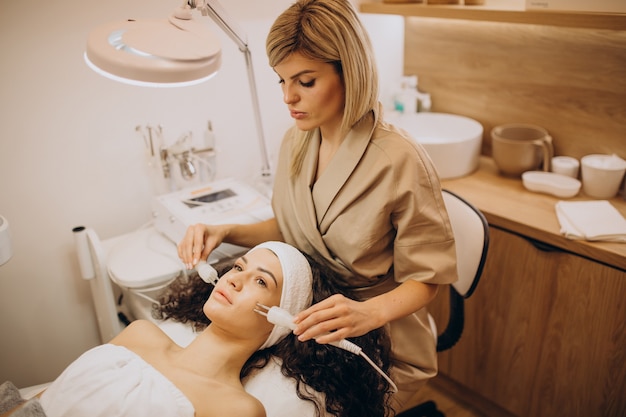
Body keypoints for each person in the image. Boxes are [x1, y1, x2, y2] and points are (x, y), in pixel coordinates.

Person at [177, 0, 457, 411]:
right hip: (307, 320)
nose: (289, 97)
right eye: (282, 81)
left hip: (377, 333)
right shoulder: (297, 138)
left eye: (305, 81)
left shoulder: (400, 160)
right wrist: (226, 232)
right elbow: (293, 228)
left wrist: (367, 314)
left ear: (350, 71)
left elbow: (428, 278)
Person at [0, 242, 393, 417]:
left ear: (282, 321)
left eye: (261, 281)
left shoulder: (237, 409)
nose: (234, 279)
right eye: (238, 267)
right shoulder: (141, 334)